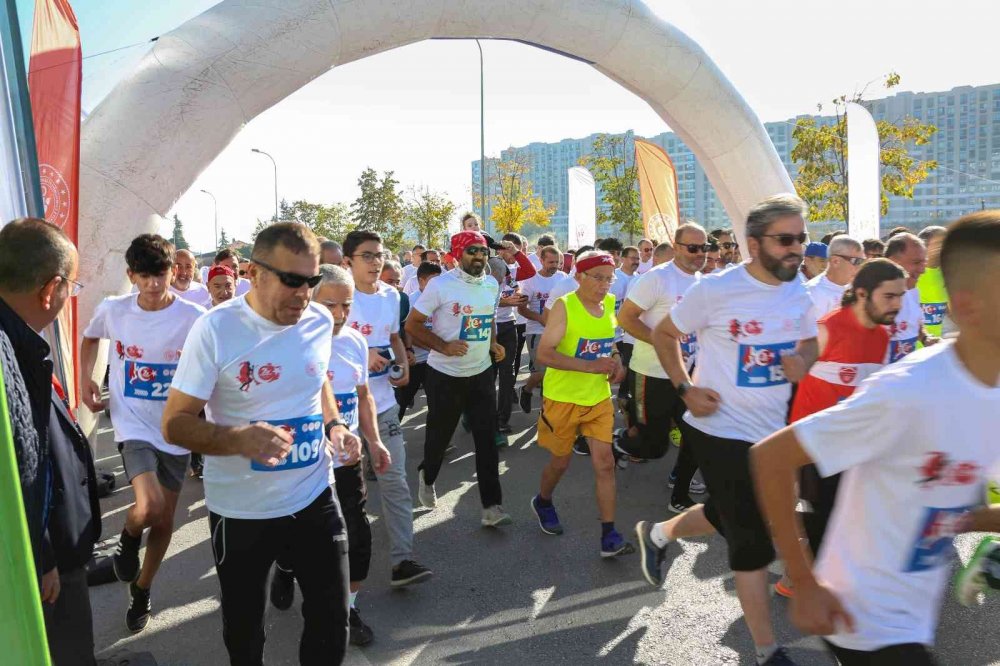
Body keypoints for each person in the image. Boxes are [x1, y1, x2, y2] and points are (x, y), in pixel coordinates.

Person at [750, 211, 1000, 666]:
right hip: (859, 615)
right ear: (967, 305)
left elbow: (953, 500)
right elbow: (769, 458)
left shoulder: (992, 390)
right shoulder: (909, 390)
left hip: (914, 613)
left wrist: (973, 523)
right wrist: (804, 582)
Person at [162, 222, 361, 666]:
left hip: (314, 494)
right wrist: (237, 439)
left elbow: (317, 380)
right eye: (292, 280)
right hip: (242, 511)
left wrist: (335, 426)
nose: (303, 294)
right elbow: (174, 425)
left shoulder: (318, 320)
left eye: (311, 281)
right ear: (254, 272)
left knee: (332, 623)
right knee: (245, 632)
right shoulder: (215, 330)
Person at [634, 194, 819, 666]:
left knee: (726, 511)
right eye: (786, 239)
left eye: (801, 238)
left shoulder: (799, 289)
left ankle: (656, 534)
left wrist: (803, 360)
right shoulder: (715, 290)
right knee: (751, 537)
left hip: (773, 432)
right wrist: (685, 388)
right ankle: (766, 651)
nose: (796, 248)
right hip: (718, 428)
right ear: (754, 244)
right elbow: (663, 334)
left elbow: (811, 341)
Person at [80, 234, 205, 633]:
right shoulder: (113, 310)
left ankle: (142, 589)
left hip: (175, 428)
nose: (154, 284)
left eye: (161, 273)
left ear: (174, 271)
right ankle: (129, 536)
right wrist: (88, 378)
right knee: (147, 506)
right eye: (145, 276)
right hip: (132, 423)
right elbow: (90, 337)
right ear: (131, 275)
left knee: (165, 520)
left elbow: (210, 366)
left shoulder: (191, 317)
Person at [270, 263, 392, 646]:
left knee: (357, 537)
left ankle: (347, 609)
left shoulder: (355, 342)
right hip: (301, 465)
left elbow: (364, 396)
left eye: (346, 306)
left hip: (345, 460)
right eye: (329, 306)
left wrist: (374, 441)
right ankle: (286, 564)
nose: (339, 316)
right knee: (294, 538)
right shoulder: (286, 342)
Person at [773, 259, 906, 599]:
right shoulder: (830, 326)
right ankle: (797, 571)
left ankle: (796, 574)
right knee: (830, 515)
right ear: (862, 293)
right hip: (814, 441)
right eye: (889, 296)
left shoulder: (883, 335)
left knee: (848, 513)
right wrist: (795, 365)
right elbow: (801, 362)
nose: (897, 304)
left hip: (854, 442)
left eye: (900, 296)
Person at [1, 218, 101, 666]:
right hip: (43, 570)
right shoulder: (9, 352)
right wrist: (40, 558)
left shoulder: (18, 340)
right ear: (50, 289)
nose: (67, 300)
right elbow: (20, 470)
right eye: (71, 287)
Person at [343, 230, 432, 588]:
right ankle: (312, 569)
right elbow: (318, 343)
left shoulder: (392, 296)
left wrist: (402, 364)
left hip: (382, 406)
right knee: (340, 494)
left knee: (395, 481)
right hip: (340, 412)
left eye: (379, 255)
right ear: (347, 262)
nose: (376, 262)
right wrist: (360, 353)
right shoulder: (332, 297)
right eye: (367, 255)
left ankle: (402, 561)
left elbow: (394, 336)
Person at [529, 251, 632, 557]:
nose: (604, 285)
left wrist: (617, 362)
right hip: (563, 398)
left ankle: (609, 535)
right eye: (597, 277)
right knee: (560, 461)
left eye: (609, 278)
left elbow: (608, 342)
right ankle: (543, 500)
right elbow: (544, 354)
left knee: (605, 464)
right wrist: (589, 367)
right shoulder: (565, 307)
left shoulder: (611, 303)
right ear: (579, 277)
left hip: (598, 398)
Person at [405, 231, 511, 527]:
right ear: (457, 255)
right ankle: (428, 475)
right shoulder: (440, 285)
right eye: (473, 251)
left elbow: (486, 318)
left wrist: (492, 344)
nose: (480, 257)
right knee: (438, 439)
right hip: (445, 376)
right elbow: (412, 325)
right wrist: (444, 346)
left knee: (487, 440)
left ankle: (492, 507)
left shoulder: (491, 284)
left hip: (481, 373)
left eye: (483, 252)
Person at [616, 224, 709, 513]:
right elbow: (626, 318)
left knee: (697, 435)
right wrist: (662, 342)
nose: (699, 254)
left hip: (686, 375)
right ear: (677, 246)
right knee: (654, 447)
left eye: (703, 248)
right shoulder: (658, 278)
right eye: (693, 248)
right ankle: (617, 442)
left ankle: (679, 496)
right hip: (651, 374)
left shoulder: (700, 281)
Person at [517, 246, 565, 413]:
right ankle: (527, 389)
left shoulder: (563, 279)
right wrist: (542, 319)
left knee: (555, 373)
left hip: (558, 332)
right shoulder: (531, 281)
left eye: (557, 262)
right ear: (542, 260)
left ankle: (548, 413)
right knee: (542, 372)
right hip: (536, 331)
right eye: (551, 262)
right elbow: (521, 309)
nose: (554, 265)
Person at [396, 262, 443, 420]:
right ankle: (389, 436)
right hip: (416, 360)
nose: (437, 284)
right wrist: (434, 347)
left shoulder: (442, 300)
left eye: (439, 280)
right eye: (432, 280)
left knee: (437, 402)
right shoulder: (412, 300)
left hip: (435, 361)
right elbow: (409, 330)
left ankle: (441, 442)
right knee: (401, 402)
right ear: (421, 281)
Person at [884, 233, 935, 361]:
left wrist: (926, 338)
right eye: (916, 262)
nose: (922, 270)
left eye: (924, 262)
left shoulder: (912, 289)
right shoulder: (869, 295)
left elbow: (915, 323)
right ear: (893, 262)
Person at [805, 236, 865, 318]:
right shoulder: (813, 293)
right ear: (835, 261)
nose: (859, 267)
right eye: (856, 261)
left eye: (862, 262)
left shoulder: (857, 288)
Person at [915, 225, 949, 339]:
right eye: (940, 243)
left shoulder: (947, 275)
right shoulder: (911, 273)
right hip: (909, 352)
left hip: (932, 350)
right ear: (924, 247)